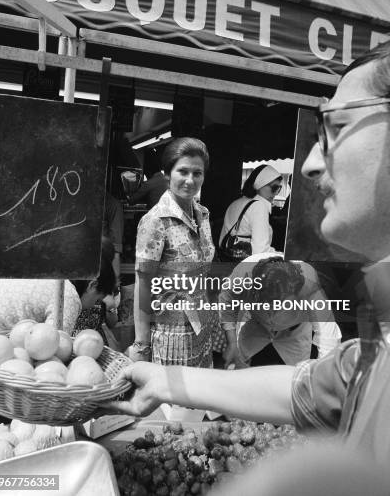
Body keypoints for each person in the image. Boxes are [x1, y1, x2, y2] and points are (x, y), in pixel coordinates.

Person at [100, 42, 390, 466]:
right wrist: (159, 368)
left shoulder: (216, 222)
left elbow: (317, 361)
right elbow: (309, 388)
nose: (310, 163)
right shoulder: (370, 349)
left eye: (337, 125)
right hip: (175, 329)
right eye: (183, 171)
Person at [131, 137, 215, 367]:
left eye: (197, 173)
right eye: (183, 171)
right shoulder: (155, 221)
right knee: (174, 402)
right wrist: (142, 343)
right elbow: (143, 283)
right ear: (168, 174)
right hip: (169, 335)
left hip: (201, 328)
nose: (190, 180)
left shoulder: (203, 215)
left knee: (201, 398)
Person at [220, 253, 341, 368]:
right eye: (268, 305)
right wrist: (231, 343)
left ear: (298, 294)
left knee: (294, 377)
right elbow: (227, 304)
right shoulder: (242, 276)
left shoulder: (311, 288)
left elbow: (328, 335)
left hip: (295, 330)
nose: (273, 313)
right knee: (238, 367)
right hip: (255, 323)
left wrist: (322, 375)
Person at [0, 238, 116, 336]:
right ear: (92, 285)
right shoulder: (67, 296)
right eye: (97, 299)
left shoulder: (47, 271)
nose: (93, 305)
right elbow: (53, 345)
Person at [219, 165, 282, 256]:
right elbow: (261, 251)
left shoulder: (236, 202)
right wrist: (284, 256)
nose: (276, 193)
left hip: (227, 260)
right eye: (274, 188)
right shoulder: (258, 206)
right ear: (260, 184)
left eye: (279, 188)